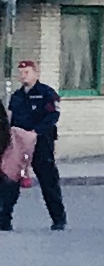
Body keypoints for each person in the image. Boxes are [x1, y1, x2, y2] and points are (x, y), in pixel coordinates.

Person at [2, 56, 65, 230]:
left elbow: (53, 116)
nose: (23, 76)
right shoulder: (17, 96)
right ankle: (4, 220)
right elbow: (12, 119)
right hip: (19, 144)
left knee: (48, 181)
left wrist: (36, 132)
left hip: (41, 143)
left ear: (35, 73)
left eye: (27, 72)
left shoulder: (46, 93)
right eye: (21, 73)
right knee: (10, 180)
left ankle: (58, 219)